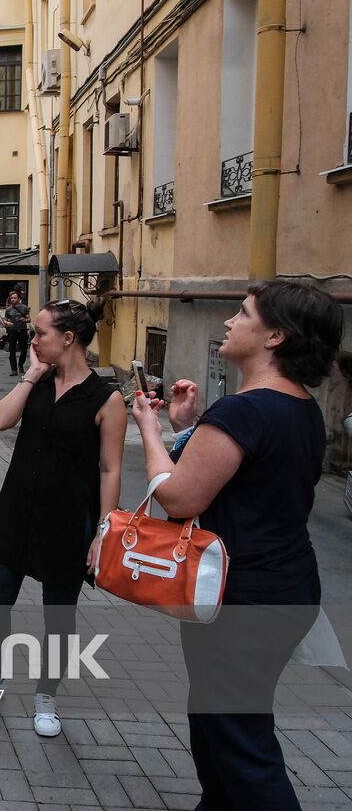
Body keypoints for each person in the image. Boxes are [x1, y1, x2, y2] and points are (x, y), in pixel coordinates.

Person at [131, 281, 343, 810]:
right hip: (283, 587)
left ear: (274, 335)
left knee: (240, 740)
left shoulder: (245, 411)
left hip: (241, 598)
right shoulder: (299, 407)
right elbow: (244, 476)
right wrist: (191, 431)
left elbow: (177, 498)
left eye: (243, 313)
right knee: (216, 718)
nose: (229, 321)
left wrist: (152, 433)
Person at [0, 299, 126, 738]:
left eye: (41, 333)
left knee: (59, 617)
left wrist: (103, 531)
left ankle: (46, 697)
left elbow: (110, 469)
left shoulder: (106, 398)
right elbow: (0, 421)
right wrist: (31, 374)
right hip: (17, 510)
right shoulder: (39, 383)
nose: (33, 339)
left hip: (68, 520)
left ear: (68, 339)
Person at [1, 290, 31, 376]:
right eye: (11, 298)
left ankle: (21, 364)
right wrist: (7, 323)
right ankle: (13, 369)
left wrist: (25, 320)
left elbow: (29, 319)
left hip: (22, 330)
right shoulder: (8, 310)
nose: (13, 300)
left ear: (19, 299)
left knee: (24, 350)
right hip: (12, 331)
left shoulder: (24, 308)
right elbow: (5, 320)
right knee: (12, 350)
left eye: (14, 298)